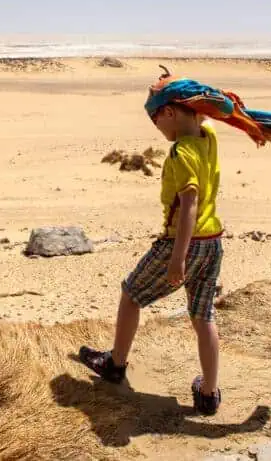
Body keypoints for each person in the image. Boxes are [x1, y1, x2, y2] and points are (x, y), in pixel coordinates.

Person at [78, 78, 224, 416]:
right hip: (213, 242)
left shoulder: (181, 152)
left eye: (155, 118)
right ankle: (208, 392)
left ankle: (115, 364)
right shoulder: (208, 138)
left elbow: (189, 204)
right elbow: (210, 117)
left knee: (131, 295)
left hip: (183, 243)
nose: (156, 126)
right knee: (203, 316)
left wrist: (177, 260)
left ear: (170, 112)